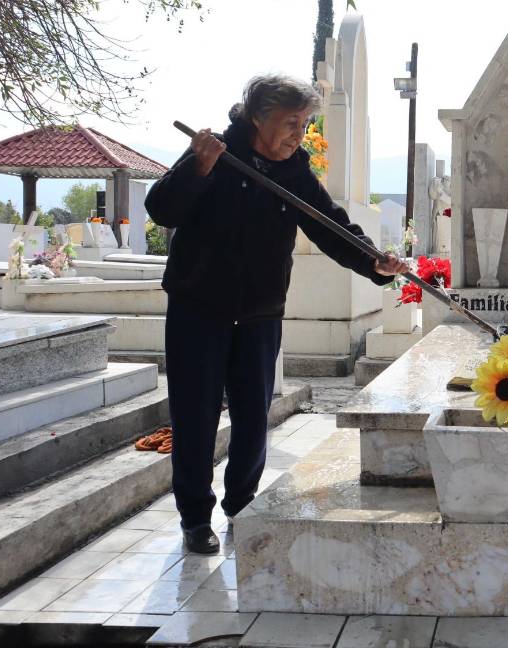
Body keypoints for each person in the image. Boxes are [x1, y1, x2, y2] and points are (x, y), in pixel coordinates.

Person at [146, 75, 409, 554]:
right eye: (292, 123)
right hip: (198, 310)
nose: (298, 135)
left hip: (260, 313)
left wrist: (374, 262)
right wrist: (195, 172)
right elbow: (162, 208)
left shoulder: (294, 172)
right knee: (195, 418)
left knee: (252, 417)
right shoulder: (213, 152)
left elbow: (331, 226)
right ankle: (194, 519)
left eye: (304, 125)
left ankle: (241, 506)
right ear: (257, 117)